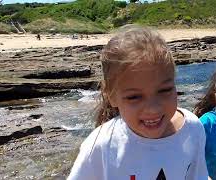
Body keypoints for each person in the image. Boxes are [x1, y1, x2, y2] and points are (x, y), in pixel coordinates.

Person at [68, 26, 208, 180]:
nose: (153, 109)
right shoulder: (100, 146)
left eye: (164, 90)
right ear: (112, 96)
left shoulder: (193, 129)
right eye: (134, 97)